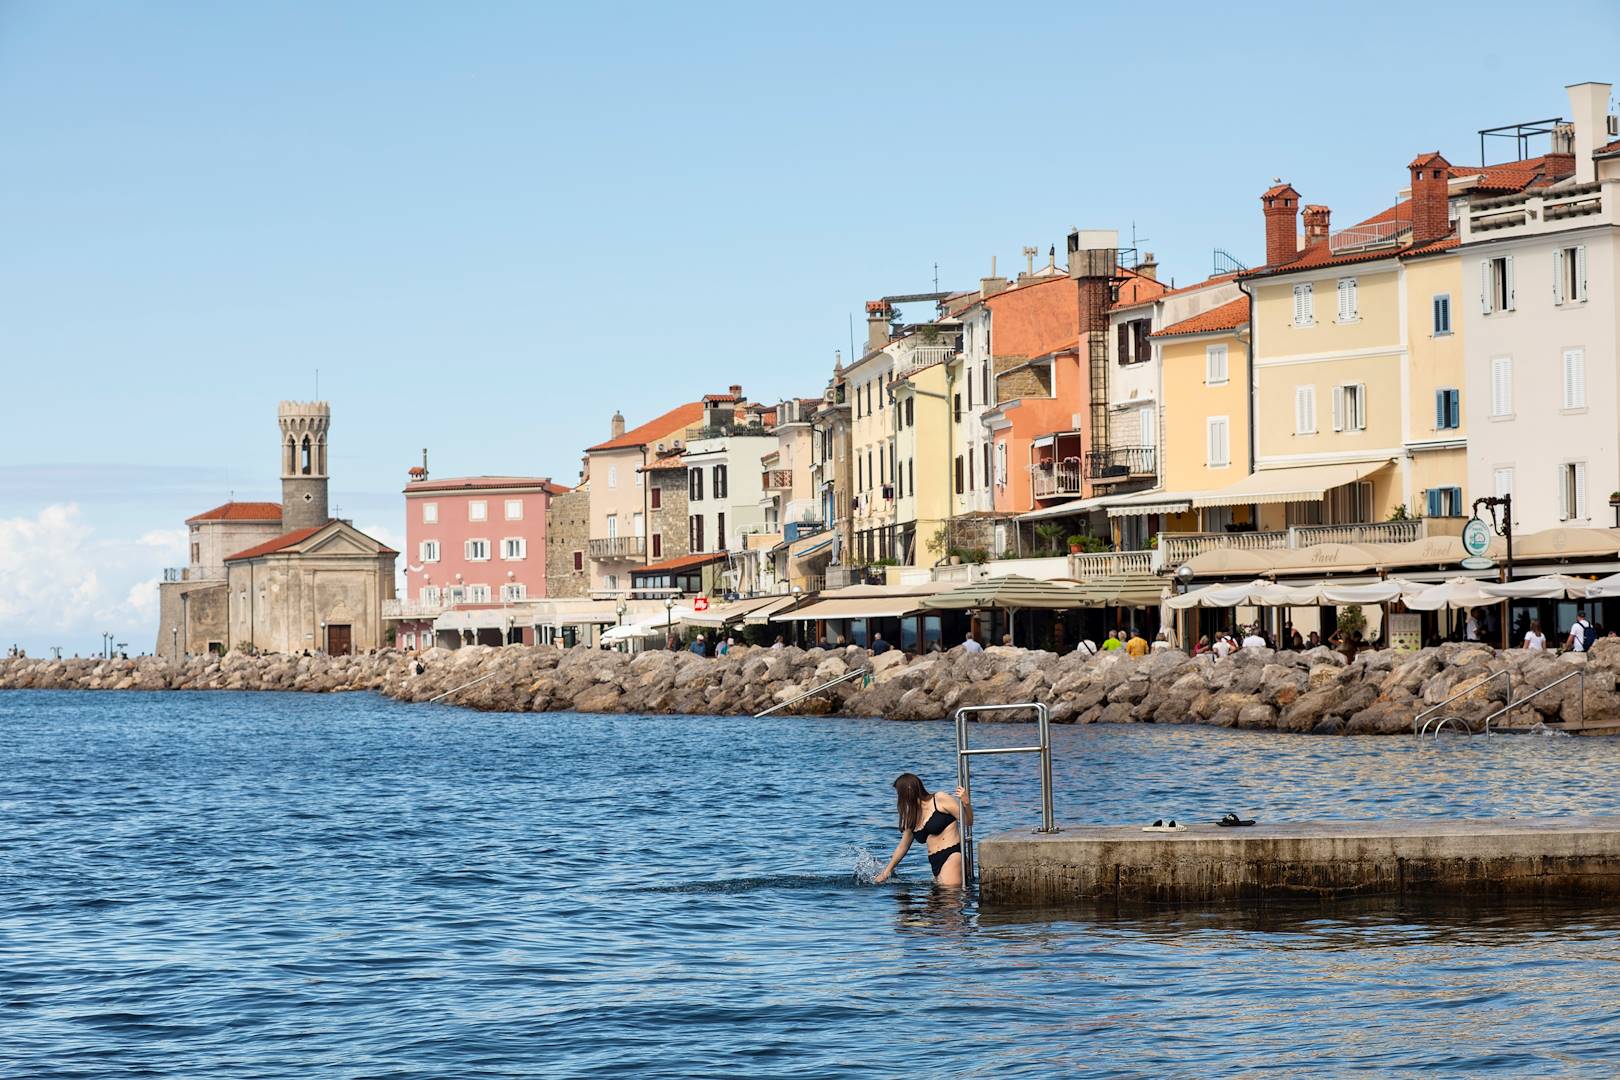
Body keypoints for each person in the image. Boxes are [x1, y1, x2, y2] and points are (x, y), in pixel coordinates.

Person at [872, 773, 972, 887]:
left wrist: (966, 803)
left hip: (953, 857)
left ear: (908, 791)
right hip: (935, 863)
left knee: (948, 898)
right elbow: (903, 846)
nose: (899, 798)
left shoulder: (939, 799)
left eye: (899, 793)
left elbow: (968, 822)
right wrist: (886, 872)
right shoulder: (912, 816)